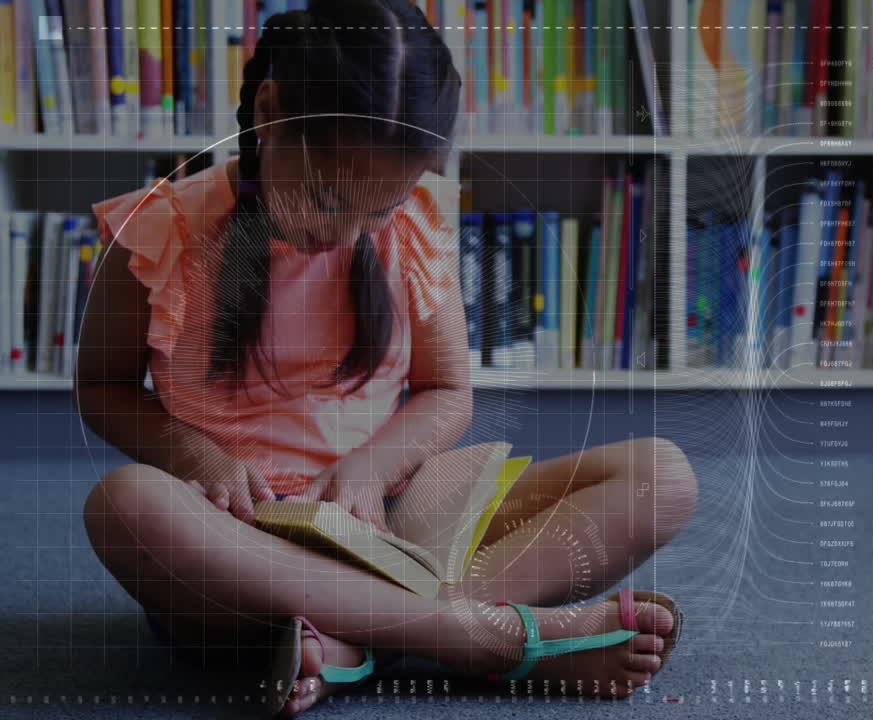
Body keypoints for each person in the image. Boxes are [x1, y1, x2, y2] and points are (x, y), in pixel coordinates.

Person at [75, 1, 697, 716]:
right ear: (270, 111)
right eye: (325, 197)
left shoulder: (417, 223)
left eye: (376, 210)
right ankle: (485, 636)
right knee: (124, 505)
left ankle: (361, 642)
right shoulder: (161, 229)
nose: (340, 234)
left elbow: (445, 392)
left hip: (394, 523)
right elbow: (101, 387)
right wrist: (201, 460)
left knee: (662, 475)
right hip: (245, 545)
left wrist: (369, 471)